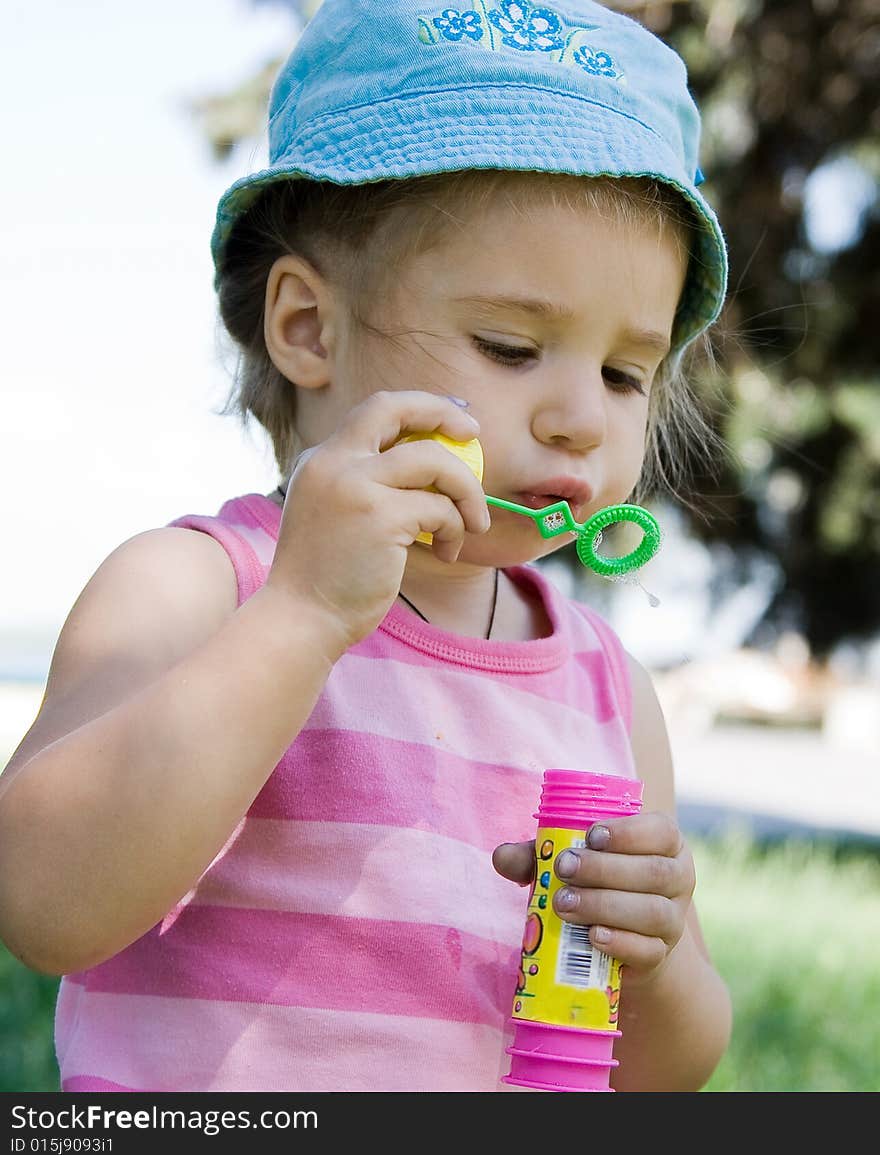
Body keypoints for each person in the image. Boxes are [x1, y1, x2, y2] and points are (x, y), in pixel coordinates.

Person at [0, 0, 732, 1092]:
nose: (582, 413)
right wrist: (303, 618)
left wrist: (659, 959)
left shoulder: (605, 688)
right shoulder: (202, 591)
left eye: (626, 372)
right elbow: (45, 904)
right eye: (512, 345)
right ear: (307, 328)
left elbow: (658, 1075)